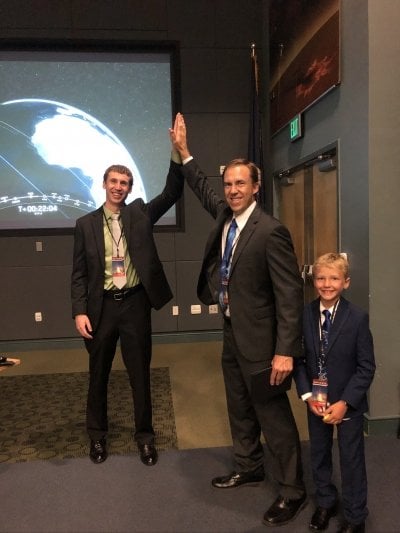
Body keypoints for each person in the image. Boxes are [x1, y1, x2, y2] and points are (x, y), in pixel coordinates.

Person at [170, 113, 306, 527]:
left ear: (256, 186)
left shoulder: (270, 231)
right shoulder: (227, 217)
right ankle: (248, 464)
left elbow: (289, 295)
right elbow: (203, 189)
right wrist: (185, 154)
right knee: (239, 406)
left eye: (240, 183)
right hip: (232, 331)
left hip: (264, 344)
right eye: (229, 184)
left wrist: (285, 351)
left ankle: (292, 490)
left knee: (273, 416)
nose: (232, 190)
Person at [71, 119, 184, 466]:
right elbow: (78, 273)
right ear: (104, 185)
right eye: (114, 181)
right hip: (101, 308)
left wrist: (177, 152)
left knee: (140, 375)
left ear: (130, 187)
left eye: (125, 182)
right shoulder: (86, 224)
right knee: (98, 376)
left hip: (134, 304)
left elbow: (171, 192)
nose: (119, 187)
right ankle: (97, 437)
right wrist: (79, 311)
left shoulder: (140, 214)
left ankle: (145, 438)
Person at [294, 253, 375, 533]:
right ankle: (326, 502)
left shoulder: (357, 318)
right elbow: (300, 360)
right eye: (321, 278)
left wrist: (345, 402)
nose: (326, 284)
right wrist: (307, 396)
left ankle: (355, 516)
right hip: (316, 401)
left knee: (351, 460)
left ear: (346, 282)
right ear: (313, 280)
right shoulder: (304, 314)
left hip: (346, 404)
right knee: (319, 454)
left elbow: (366, 367)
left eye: (334, 278)